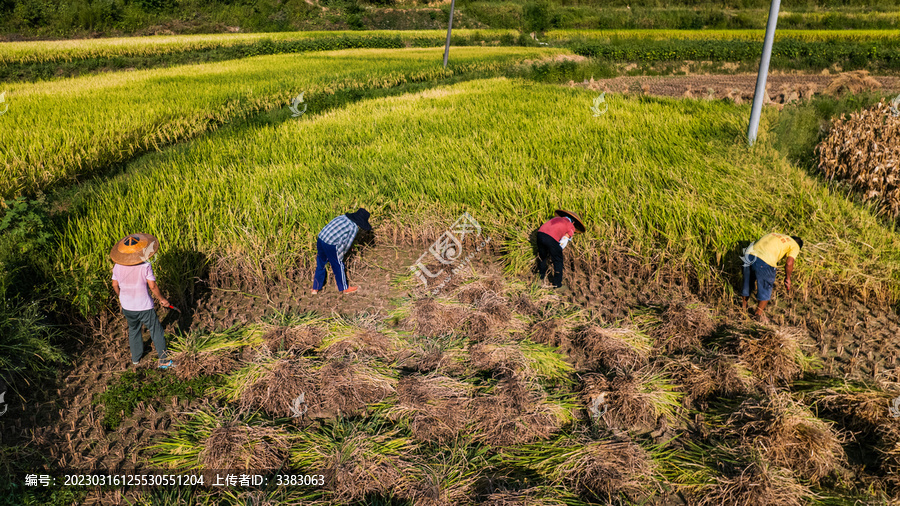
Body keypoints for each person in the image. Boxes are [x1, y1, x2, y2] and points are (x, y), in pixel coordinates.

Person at [110, 233, 173, 369]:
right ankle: (163, 361)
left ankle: (136, 359)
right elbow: (152, 286)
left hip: (127, 306)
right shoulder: (145, 265)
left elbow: (114, 284)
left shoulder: (117, 265)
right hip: (144, 305)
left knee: (134, 329)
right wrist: (162, 300)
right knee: (156, 330)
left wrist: (122, 296)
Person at [741, 233, 804, 324]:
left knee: (747, 283)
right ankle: (757, 316)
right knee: (766, 287)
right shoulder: (795, 245)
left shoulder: (775, 234)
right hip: (765, 260)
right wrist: (788, 278)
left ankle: (743, 309)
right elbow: (789, 263)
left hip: (748, 255)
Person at [311, 208, 372, 295]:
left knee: (321, 263)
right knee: (338, 265)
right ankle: (344, 288)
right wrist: (341, 255)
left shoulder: (342, 217)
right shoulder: (354, 227)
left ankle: (315, 288)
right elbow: (347, 244)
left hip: (321, 238)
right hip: (331, 243)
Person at [536, 209, 586, 288]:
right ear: (573, 222)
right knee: (558, 260)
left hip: (540, 234)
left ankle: (541, 276)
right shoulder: (571, 225)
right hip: (551, 238)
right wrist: (559, 249)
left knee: (543, 256)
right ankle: (557, 284)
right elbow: (566, 238)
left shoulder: (554, 219)